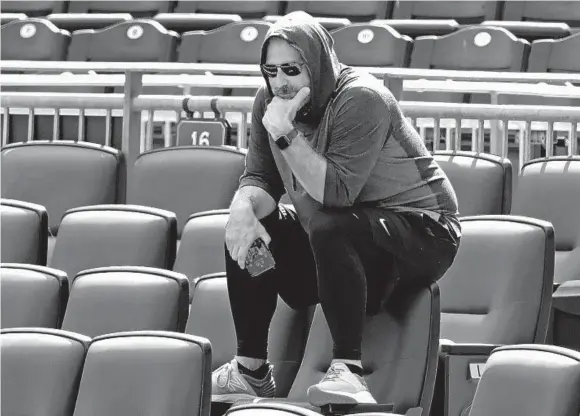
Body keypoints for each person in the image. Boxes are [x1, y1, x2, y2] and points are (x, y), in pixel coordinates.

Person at [212, 11, 461, 407]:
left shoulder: (361, 98)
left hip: (425, 235)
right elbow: (259, 179)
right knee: (246, 227)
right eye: (271, 71)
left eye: (292, 69)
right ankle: (251, 369)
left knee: (331, 224)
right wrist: (242, 208)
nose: (280, 82)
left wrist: (286, 133)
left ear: (318, 64)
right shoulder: (269, 103)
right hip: (345, 248)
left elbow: (337, 193)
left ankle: (348, 370)